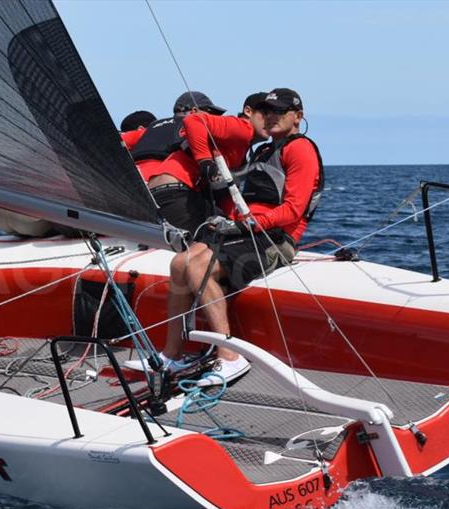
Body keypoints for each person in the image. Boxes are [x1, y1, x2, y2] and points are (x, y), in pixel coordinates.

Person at [125, 88, 324, 387]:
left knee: (196, 267)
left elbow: (293, 211)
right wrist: (232, 222)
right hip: (248, 230)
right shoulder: (263, 151)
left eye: (279, 112)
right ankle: (172, 354)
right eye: (267, 111)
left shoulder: (300, 148)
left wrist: (247, 225)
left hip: (275, 239)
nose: (271, 117)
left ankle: (229, 356)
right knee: (180, 263)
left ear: (298, 117)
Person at [132, 91, 226, 235]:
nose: (212, 118)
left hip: (134, 182)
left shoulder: (151, 128)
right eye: (208, 112)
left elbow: (119, 139)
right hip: (168, 182)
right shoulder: (191, 126)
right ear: (192, 111)